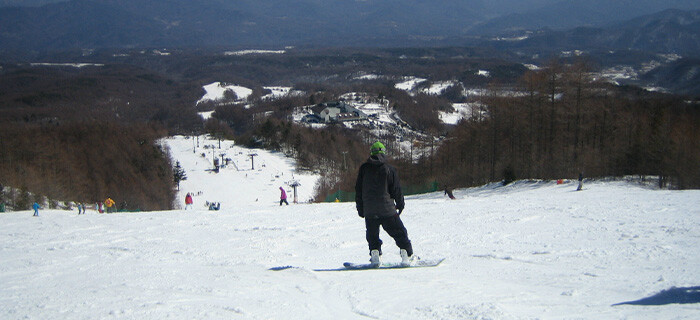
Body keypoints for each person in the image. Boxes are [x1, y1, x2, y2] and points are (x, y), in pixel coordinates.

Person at [355, 141, 414, 267]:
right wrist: (400, 204)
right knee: (399, 232)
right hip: (387, 209)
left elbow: (359, 190)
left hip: (370, 210)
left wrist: (361, 209)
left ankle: (375, 254)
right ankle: (406, 254)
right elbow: (396, 189)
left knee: (372, 234)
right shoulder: (389, 169)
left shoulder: (364, 169)